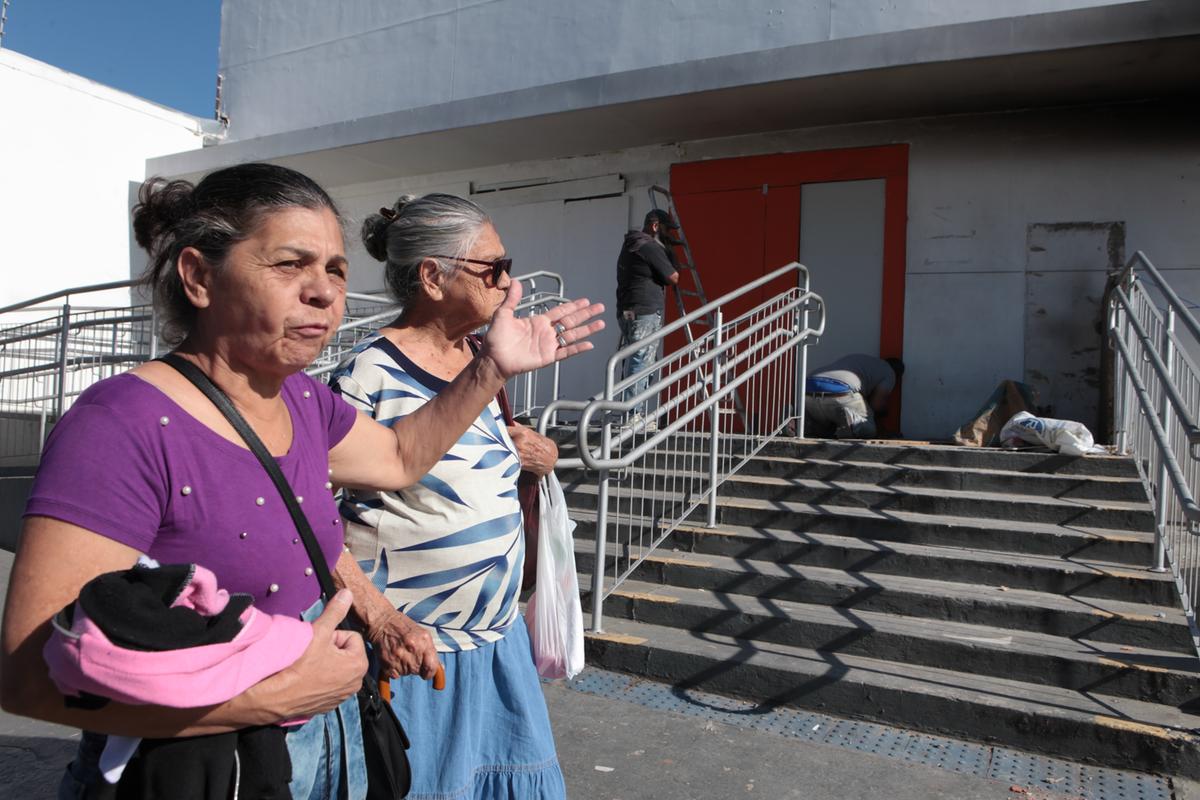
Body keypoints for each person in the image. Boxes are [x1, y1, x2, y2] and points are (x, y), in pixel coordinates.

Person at [0, 164, 603, 800]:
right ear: (200, 276)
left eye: (336, 270)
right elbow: (28, 674)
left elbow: (400, 457)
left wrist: (494, 367)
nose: (323, 293)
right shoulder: (121, 423)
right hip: (198, 771)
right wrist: (271, 697)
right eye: (291, 265)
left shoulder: (306, 404)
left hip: (322, 750)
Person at [329, 192, 569, 799]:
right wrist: (380, 620)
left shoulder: (478, 359)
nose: (508, 281)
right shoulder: (367, 377)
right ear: (433, 277)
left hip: (496, 645)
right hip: (415, 658)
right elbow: (309, 518)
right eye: (494, 267)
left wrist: (540, 457)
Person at [615, 208, 680, 424]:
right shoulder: (649, 246)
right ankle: (633, 417)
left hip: (629, 310)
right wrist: (670, 256)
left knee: (638, 360)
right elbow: (672, 277)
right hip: (645, 312)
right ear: (654, 226)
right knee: (641, 361)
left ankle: (630, 413)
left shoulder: (631, 244)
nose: (668, 234)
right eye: (665, 229)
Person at [805, 353, 905, 438]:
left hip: (808, 390)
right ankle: (850, 422)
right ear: (898, 375)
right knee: (868, 429)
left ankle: (799, 423)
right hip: (841, 393)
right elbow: (876, 405)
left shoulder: (862, 361)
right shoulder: (890, 372)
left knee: (821, 432)